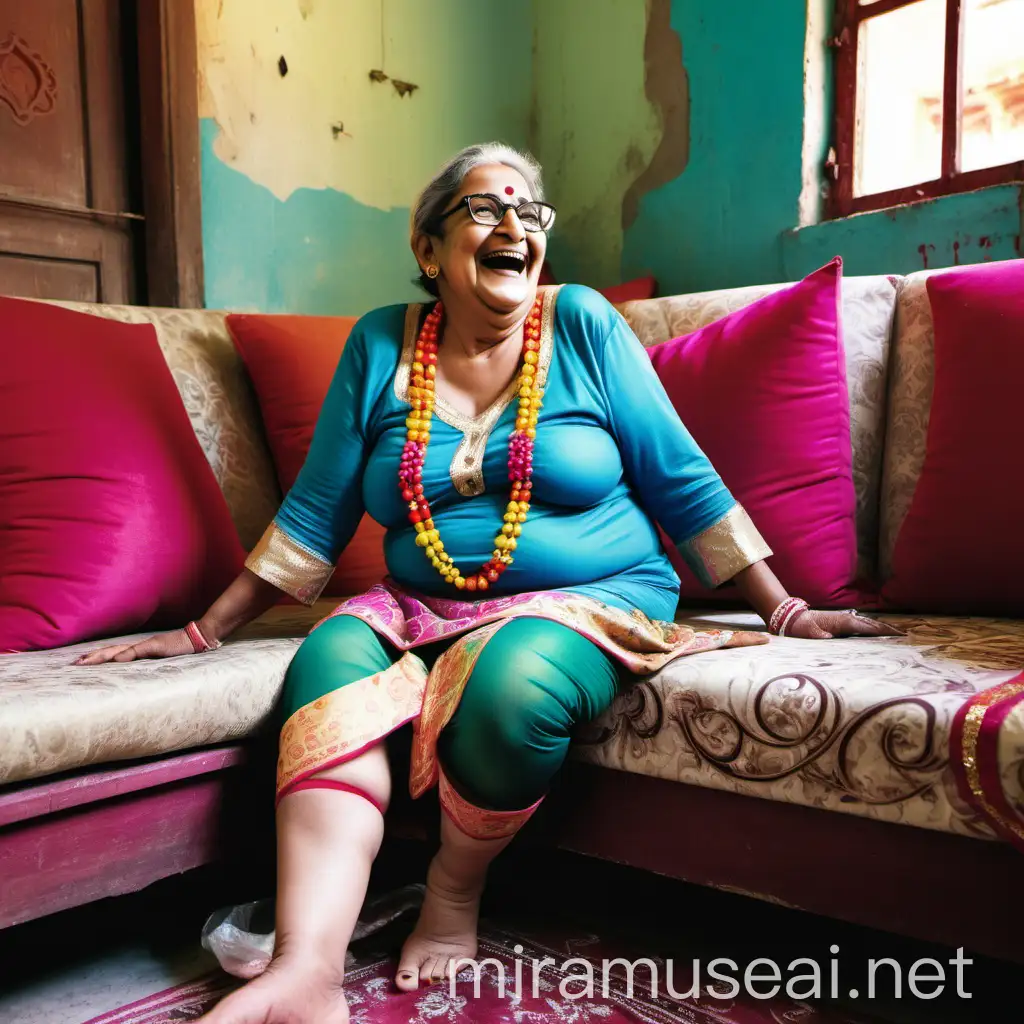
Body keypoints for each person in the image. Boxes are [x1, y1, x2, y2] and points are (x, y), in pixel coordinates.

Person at [77, 142, 898, 1024]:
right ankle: (306, 967)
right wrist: (202, 633)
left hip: (596, 594)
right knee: (326, 662)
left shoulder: (581, 322)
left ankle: (452, 892)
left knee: (515, 682)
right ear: (428, 250)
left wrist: (780, 605)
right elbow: (316, 513)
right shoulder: (379, 343)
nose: (513, 224)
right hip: (417, 603)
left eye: (528, 213)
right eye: (483, 209)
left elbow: (681, 478)